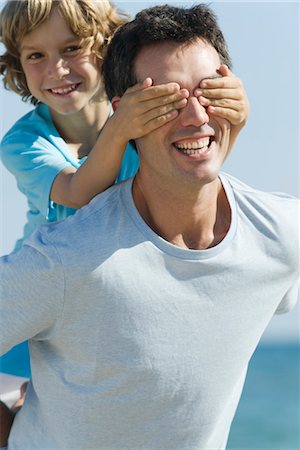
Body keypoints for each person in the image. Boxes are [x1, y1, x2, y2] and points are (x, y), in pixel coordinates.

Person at [3, 3, 295, 450]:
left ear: (102, 49)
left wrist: (231, 121)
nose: (57, 68)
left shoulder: (276, 230)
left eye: (72, 48)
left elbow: (190, 167)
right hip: (42, 293)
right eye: (35, 56)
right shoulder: (27, 143)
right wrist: (123, 129)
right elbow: (80, 193)